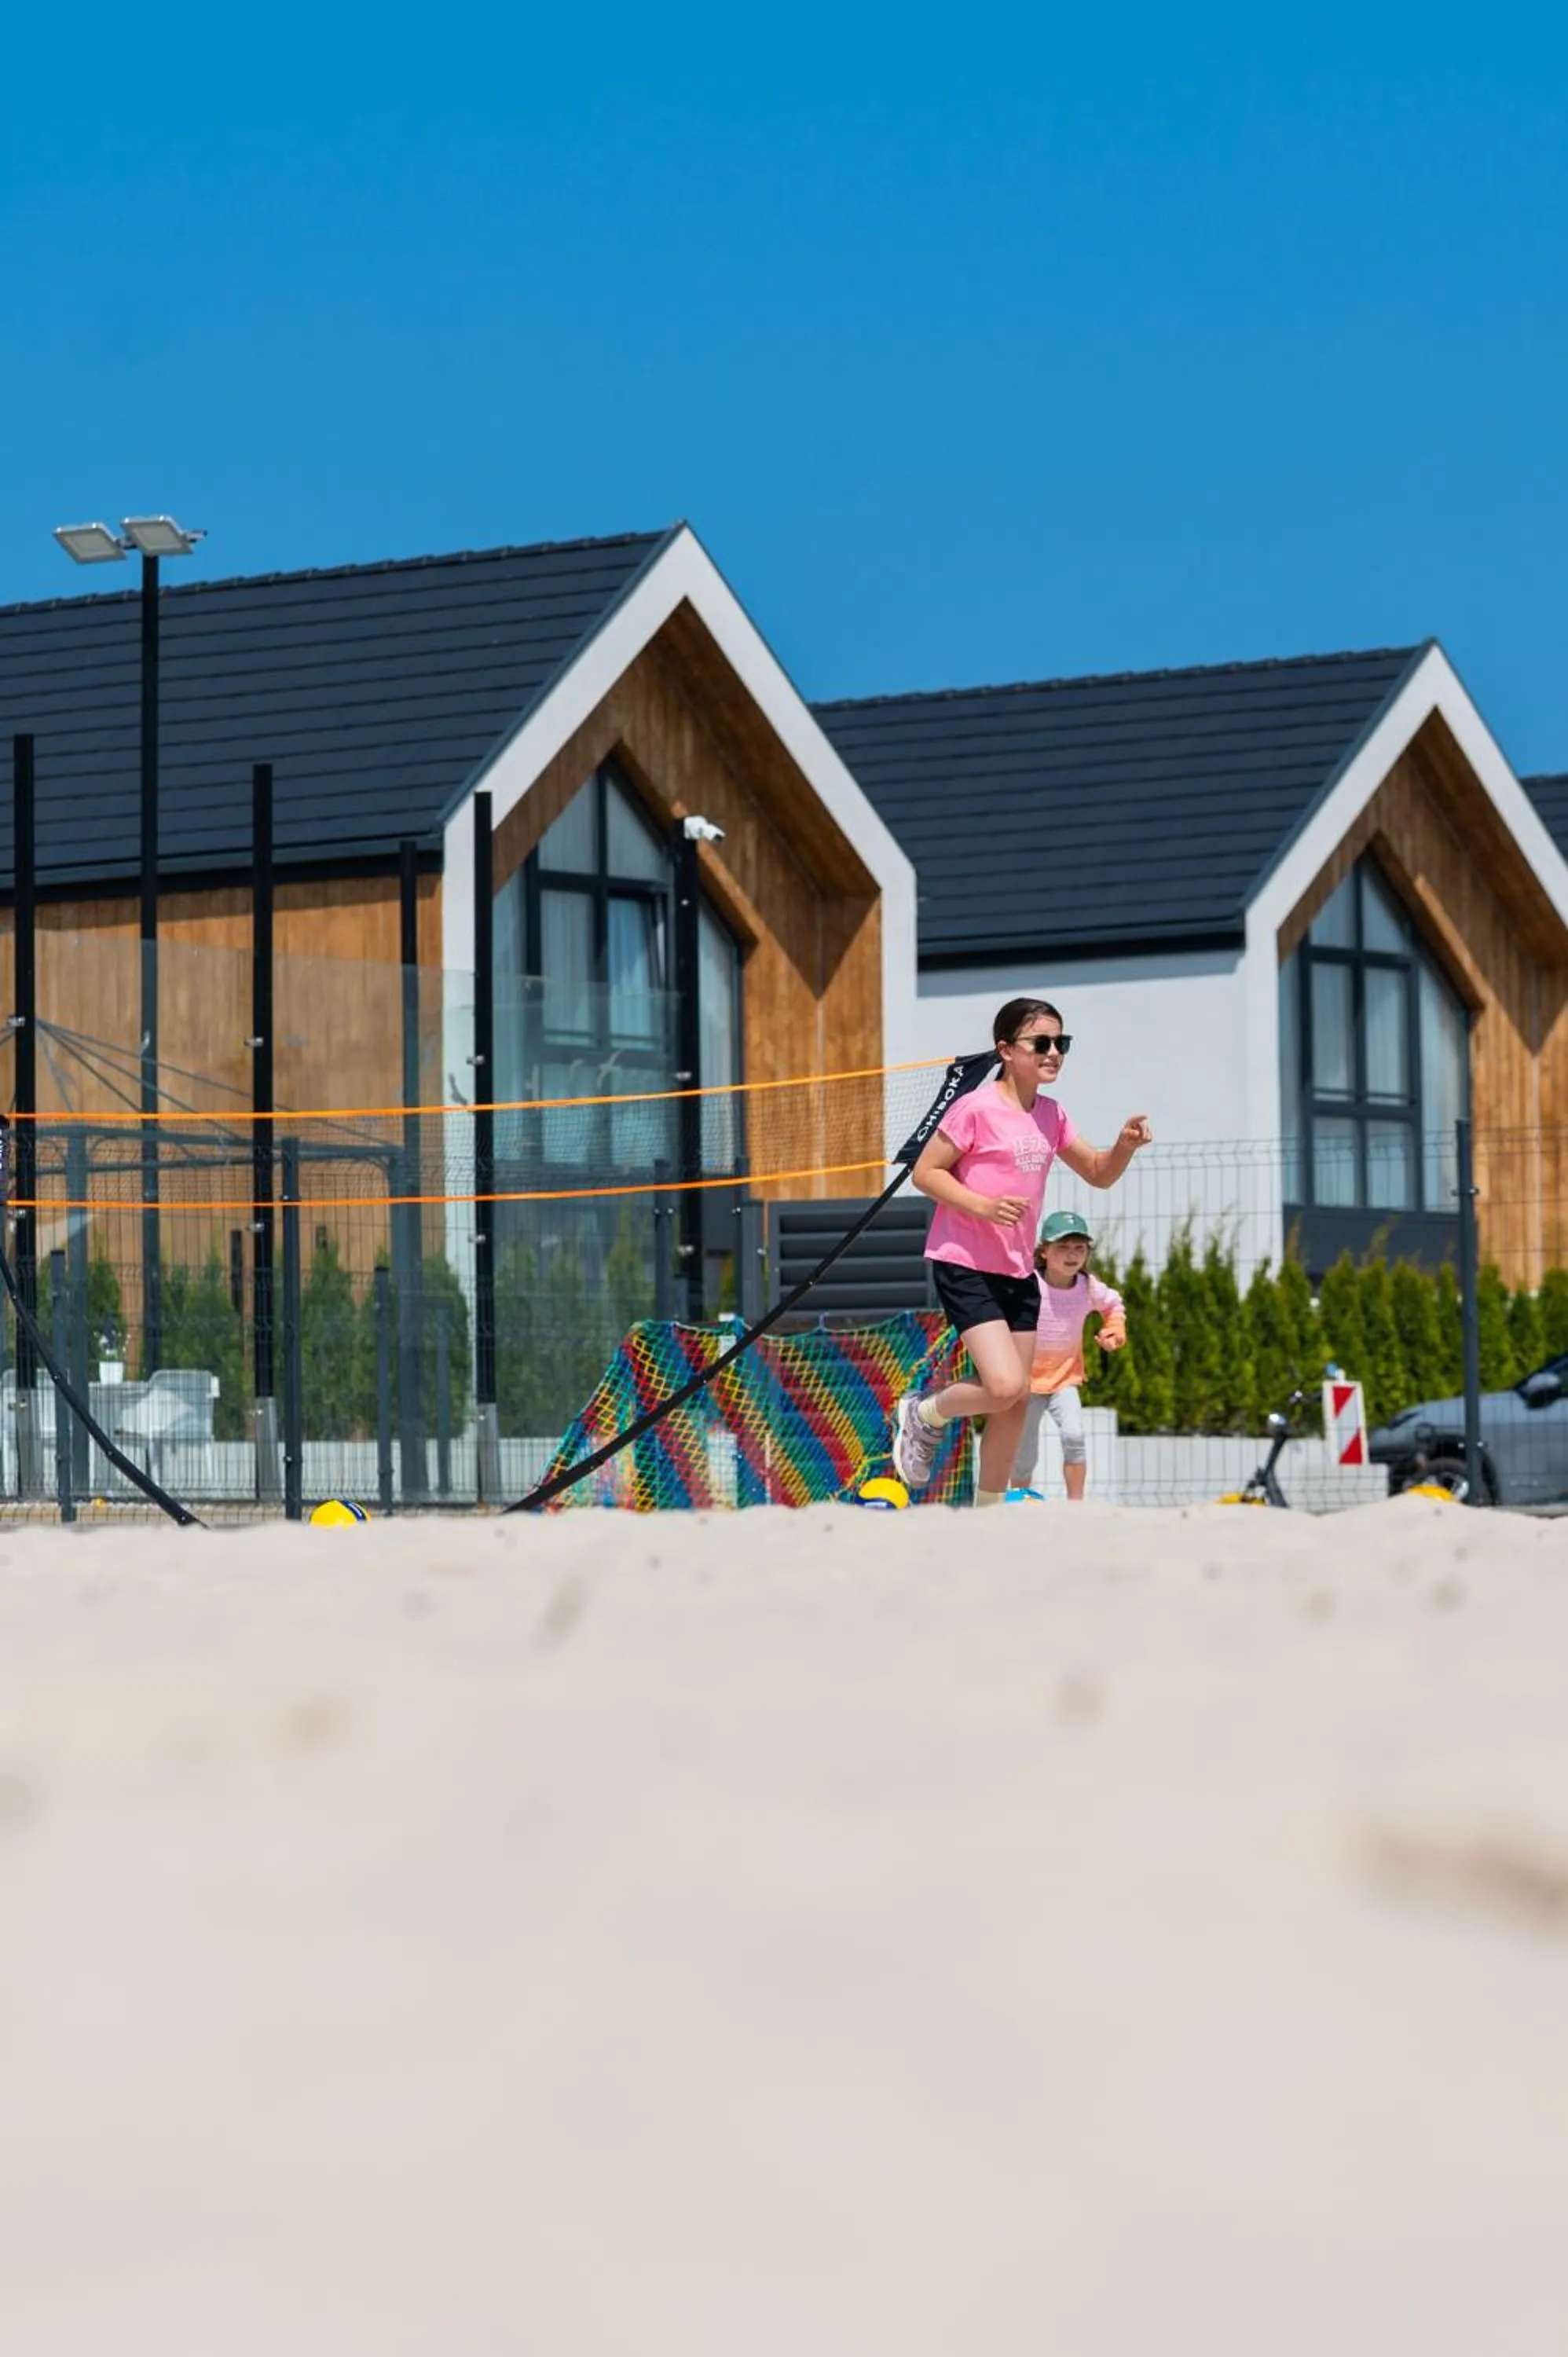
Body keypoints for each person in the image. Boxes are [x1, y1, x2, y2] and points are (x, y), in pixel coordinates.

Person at [891, 997, 1152, 1507]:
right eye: (1042, 1043)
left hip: (1016, 1271)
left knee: (1014, 1402)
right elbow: (926, 1173)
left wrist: (1123, 1145)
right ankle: (924, 1414)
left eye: (1062, 1043)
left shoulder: (1052, 1115)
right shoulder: (976, 1108)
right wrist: (983, 1206)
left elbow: (1098, 1173)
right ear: (1006, 1050)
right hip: (964, 1263)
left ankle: (988, 1512)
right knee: (1007, 1385)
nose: (1054, 1052)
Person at [1011, 1209, 1125, 1501]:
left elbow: (1113, 1304)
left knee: (1074, 1437)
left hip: (1065, 1379)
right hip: (1026, 1383)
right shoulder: (1029, 1284)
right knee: (1024, 1452)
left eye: (1080, 1247)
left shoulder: (1088, 1287)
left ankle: (1076, 1504)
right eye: (1062, 1247)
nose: (1072, 1254)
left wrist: (1114, 1327)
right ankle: (1019, 1499)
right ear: (1044, 1252)